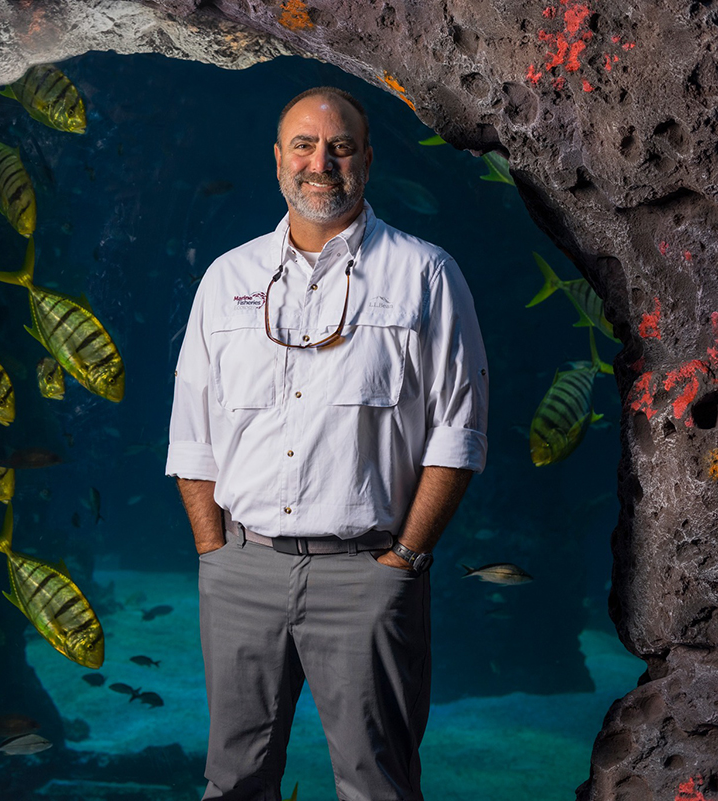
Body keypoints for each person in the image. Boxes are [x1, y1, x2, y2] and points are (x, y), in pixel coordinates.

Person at [165, 87, 489, 801]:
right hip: (241, 570)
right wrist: (214, 553)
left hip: (367, 572)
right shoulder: (227, 280)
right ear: (278, 160)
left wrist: (402, 559)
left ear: (367, 159)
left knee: (379, 785)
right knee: (233, 783)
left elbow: (458, 435)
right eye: (304, 147)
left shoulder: (426, 274)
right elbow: (192, 436)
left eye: (339, 146)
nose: (321, 162)